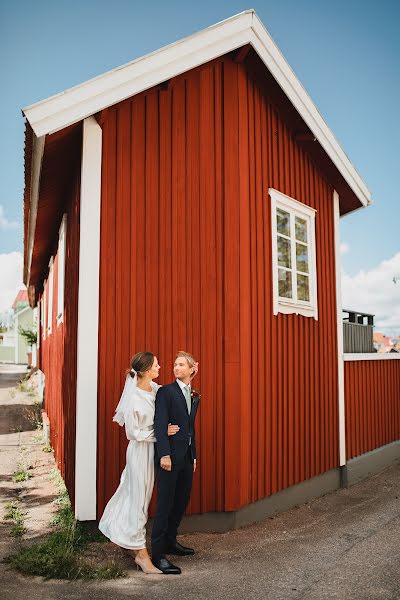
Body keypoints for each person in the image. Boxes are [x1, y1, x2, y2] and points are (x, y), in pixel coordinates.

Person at [98, 351, 179, 574]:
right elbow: (133, 433)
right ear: (144, 371)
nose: (160, 367)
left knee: (135, 495)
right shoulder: (134, 397)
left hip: (153, 448)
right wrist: (161, 433)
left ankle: (127, 538)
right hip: (140, 451)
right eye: (156, 365)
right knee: (138, 499)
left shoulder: (154, 389)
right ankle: (142, 555)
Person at [151, 350, 200, 575]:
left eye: (182, 365)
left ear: (192, 369)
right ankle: (158, 555)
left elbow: (190, 429)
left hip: (187, 458)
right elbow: (160, 423)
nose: (176, 367)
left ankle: (171, 542)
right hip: (169, 458)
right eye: (175, 364)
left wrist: (194, 455)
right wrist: (164, 454)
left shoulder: (192, 393)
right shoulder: (166, 392)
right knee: (164, 506)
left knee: (181, 501)